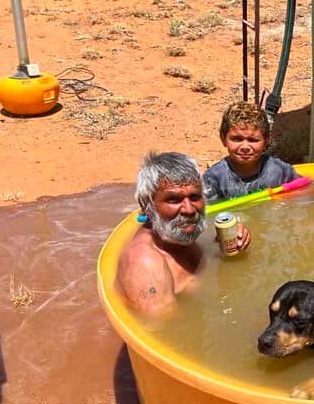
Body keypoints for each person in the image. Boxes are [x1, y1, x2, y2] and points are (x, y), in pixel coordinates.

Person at [117, 151, 250, 316]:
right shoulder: (145, 264)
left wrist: (228, 246)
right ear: (147, 205)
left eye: (195, 197)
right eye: (173, 200)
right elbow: (167, 333)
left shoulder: (175, 234)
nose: (189, 209)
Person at [203, 101, 300, 202]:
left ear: (266, 141)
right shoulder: (214, 178)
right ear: (223, 139)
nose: (245, 147)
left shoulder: (280, 171)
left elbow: (303, 193)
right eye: (237, 139)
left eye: (253, 140)